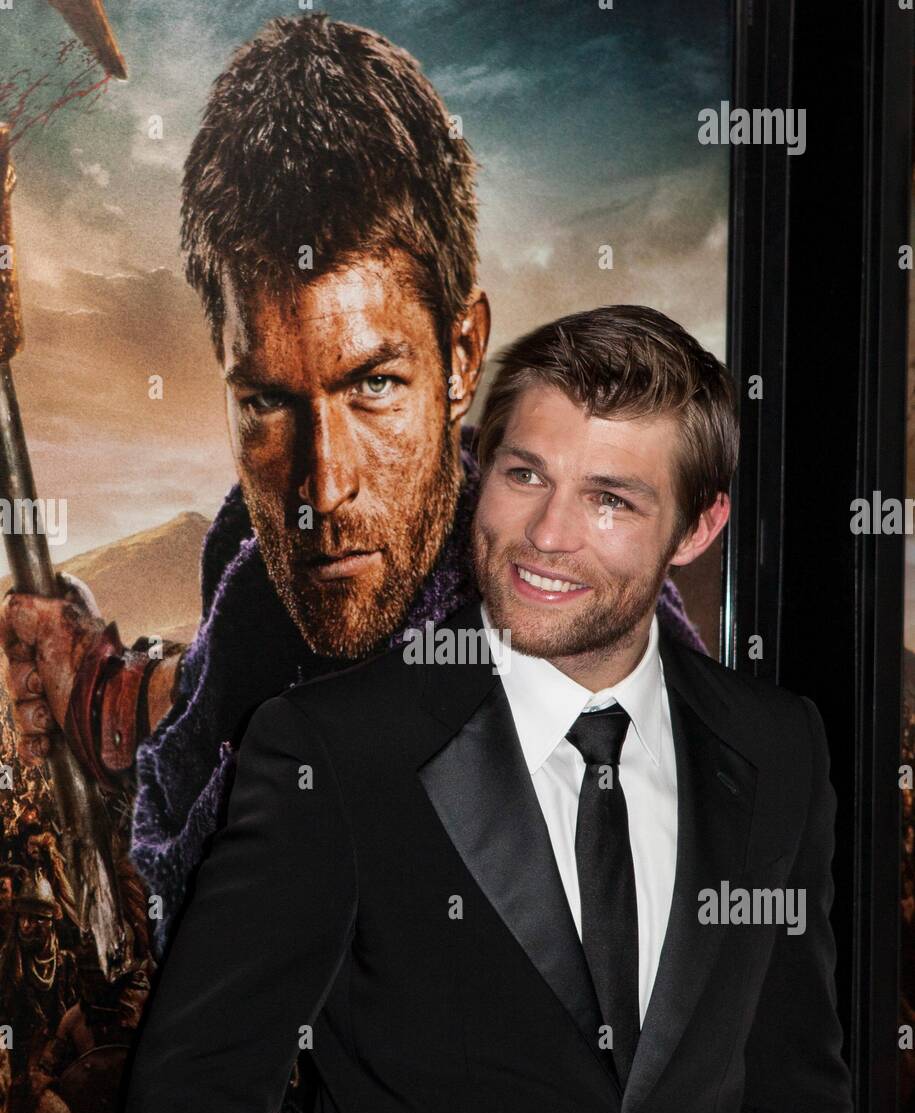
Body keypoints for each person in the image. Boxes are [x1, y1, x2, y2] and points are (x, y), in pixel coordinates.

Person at [121, 306, 857, 1113]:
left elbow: (795, 1105)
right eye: (524, 475)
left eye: (610, 499)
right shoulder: (333, 752)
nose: (545, 537)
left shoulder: (777, 749)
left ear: (700, 525)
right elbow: (188, 1109)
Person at [0, 13, 703, 959]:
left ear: (461, 354)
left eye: (373, 384)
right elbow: (230, 683)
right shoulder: (256, 581)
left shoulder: (585, 685)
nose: (322, 491)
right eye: (267, 402)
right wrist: (91, 681)